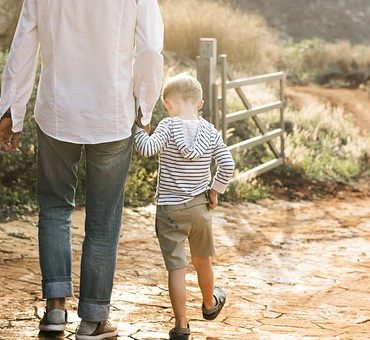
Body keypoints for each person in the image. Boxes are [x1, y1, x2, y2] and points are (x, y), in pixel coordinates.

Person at [0, 0, 163, 338]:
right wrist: (144, 107)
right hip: (112, 114)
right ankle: (93, 319)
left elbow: (23, 49)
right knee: (104, 220)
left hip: (58, 113)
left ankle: (55, 310)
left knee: (55, 209)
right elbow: (149, 49)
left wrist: (12, 112)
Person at [134, 74, 235, 340]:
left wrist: (137, 128)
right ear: (200, 103)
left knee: (177, 268)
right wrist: (215, 190)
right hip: (199, 207)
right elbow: (227, 164)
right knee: (203, 260)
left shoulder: (167, 126)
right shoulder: (210, 132)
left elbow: (146, 149)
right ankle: (210, 304)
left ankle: (181, 325)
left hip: (169, 210)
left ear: (168, 104)